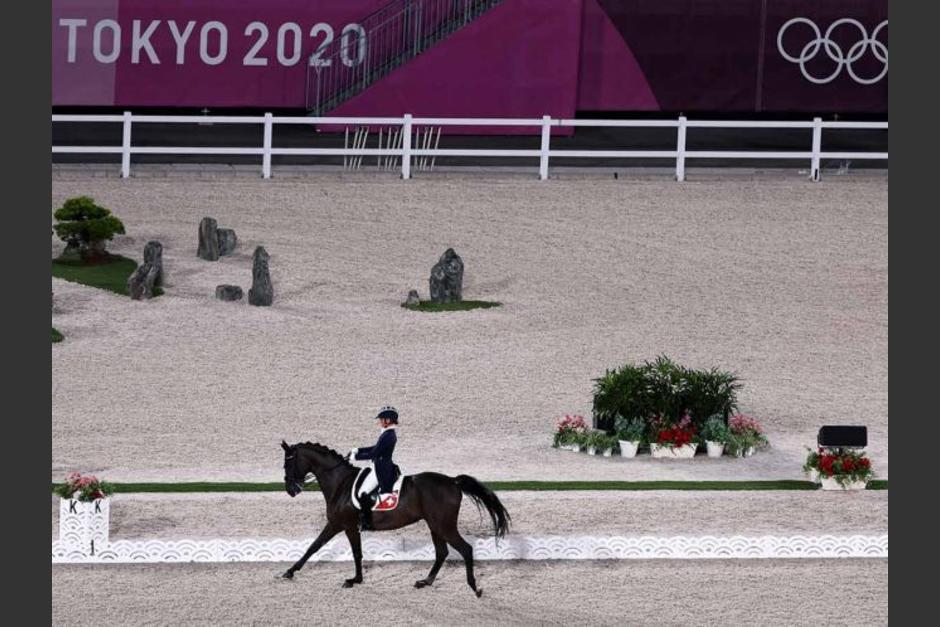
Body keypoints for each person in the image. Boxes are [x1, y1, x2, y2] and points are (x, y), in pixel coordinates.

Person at [348, 406, 400, 531]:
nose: (380, 422)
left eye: (382, 419)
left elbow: (374, 454)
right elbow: (375, 447)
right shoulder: (387, 433)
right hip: (379, 465)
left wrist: (356, 458)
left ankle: (367, 523)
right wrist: (358, 449)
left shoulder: (389, 435)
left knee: (363, 493)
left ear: (388, 420)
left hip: (382, 469)